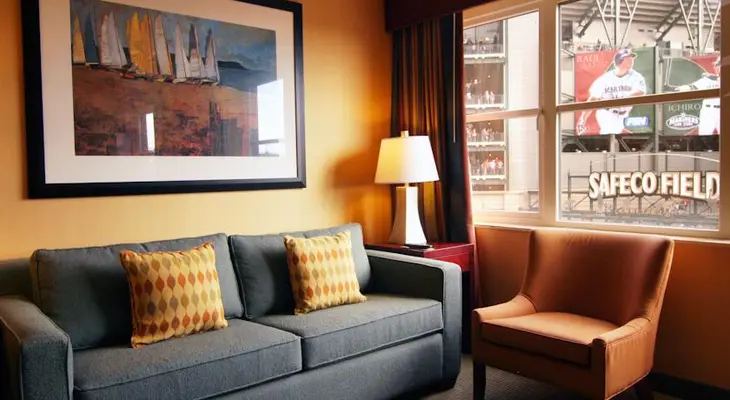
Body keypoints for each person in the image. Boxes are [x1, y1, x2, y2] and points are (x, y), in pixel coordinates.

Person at [577, 49, 647, 135]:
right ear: (619, 61)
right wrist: (583, 118)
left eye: (631, 58)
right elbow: (593, 99)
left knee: (617, 136)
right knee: (610, 136)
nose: (631, 60)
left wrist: (621, 101)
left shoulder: (636, 76)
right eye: (628, 58)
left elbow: (640, 92)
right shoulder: (605, 79)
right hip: (607, 113)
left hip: (623, 115)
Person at [674, 56, 720, 136]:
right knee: (704, 136)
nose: (718, 67)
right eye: (717, 65)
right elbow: (693, 87)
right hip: (708, 111)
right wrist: (682, 88)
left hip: (725, 111)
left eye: (720, 65)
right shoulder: (708, 80)